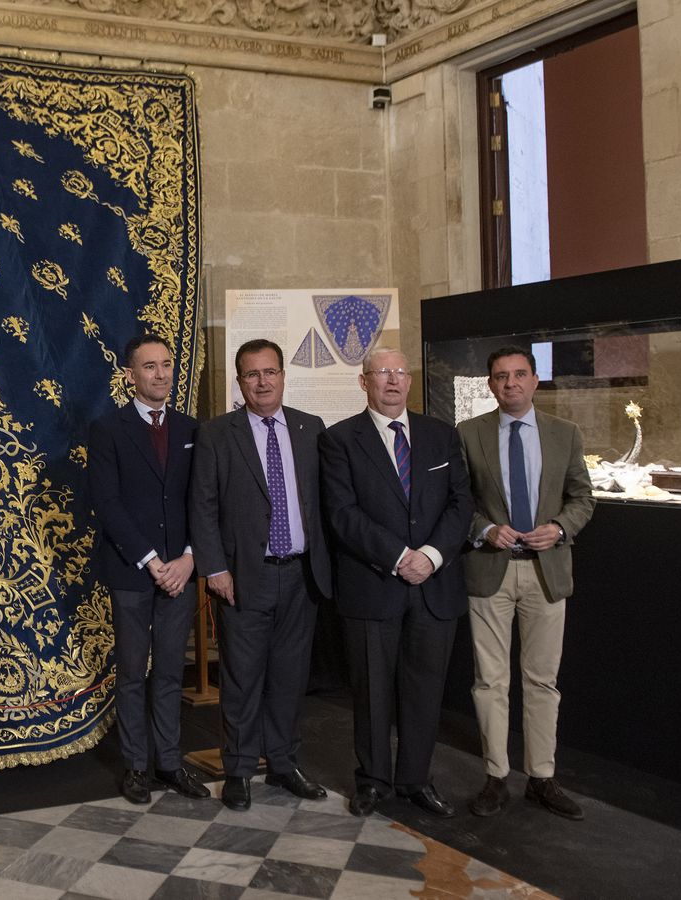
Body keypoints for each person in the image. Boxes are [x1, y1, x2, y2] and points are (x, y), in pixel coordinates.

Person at [318, 348, 472, 818]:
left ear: (410, 381)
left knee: (425, 689)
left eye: (400, 373)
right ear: (363, 382)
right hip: (372, 585)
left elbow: (461, 505)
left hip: (433, 586)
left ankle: (415, 780)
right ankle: (373, 781)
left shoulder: (440, 435)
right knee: (371, 691)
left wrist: (429, 556)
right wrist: (398, 556)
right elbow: (342, 515)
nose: (392, 381)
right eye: (381, 373)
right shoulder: (340, 440)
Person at [191, 339, 333, 810]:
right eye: (252, 375)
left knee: (290, 678)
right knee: (242, 678)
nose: (262, 382)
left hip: (300, 576)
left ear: (282, 376)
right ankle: (239, 770)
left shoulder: (310, 428)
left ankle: (284, 764)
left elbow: (324, 503)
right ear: (239, 381)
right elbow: (203, 507)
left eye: (270, 372)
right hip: (243, 577)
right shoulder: (217, 433)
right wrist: (215, 567)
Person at [457, 347, 595, 820]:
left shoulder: (565, 433)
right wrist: (484, 529)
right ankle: (496, 778)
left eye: (519, 375)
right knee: (490, 681)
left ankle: (542, 777)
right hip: (490, 569)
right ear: (490, 386)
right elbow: (459, 503)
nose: (510, 383)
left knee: (542, 680)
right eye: (500, 377)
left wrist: (559, 527)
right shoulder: (469, 433)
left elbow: (583, 497)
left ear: (535, 381)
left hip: (546, 570)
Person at [87, 334, 207, 805]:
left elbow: (202, 499)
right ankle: (137, 766)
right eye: (150, 366)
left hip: (181, 570)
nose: (161, 374)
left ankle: (171, 763)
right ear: (130, 375)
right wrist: (152, 561)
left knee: (172, 673)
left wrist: (190, 558)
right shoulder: (108, 429)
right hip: (133, 571)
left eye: (166, 365)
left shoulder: (193, 429)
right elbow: (107, 502)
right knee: (134, 672)